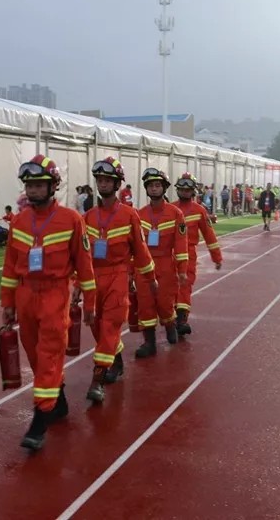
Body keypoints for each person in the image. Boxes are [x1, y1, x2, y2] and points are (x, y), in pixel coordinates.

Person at [0, 155, 96, 450]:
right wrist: (8, 302)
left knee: (49, 353)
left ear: (53, 186)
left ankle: (40, 420)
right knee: (34, 354)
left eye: (40, 185)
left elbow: (85, 264)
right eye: (29, 185)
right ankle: (59, 399)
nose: (34, 190)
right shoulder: (19, 221)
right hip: (25, 294)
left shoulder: (72, 220)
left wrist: (89, 302)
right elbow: (10, 265)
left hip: (56, 294)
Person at [79, 157, 156, 403]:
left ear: (117, 184)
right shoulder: (88, 217)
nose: (102, 184)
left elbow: (142, 251)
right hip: (93, 279)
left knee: (111, 325)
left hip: (118, 275)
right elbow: (79, 255)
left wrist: (150, 277)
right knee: (98, 327)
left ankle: (97, 380)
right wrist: (76, 285)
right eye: (99, 180)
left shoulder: (129, 215)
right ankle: (117, 362)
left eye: (107, 180)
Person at [134, 168, 188, 357]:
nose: (154, 189)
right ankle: (149, 343)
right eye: (150, 186)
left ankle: (170, 324)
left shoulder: (176, 214)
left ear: (164, 188)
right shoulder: (138, 215)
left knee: (165, 303)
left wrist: (182, 270)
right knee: (145, 304)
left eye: (157, 185)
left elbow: (181, 244)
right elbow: (133, 245)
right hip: (143, 267)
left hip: (166, 265)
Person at [172, 173, 222, 335]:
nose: (185, 192)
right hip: (169, 255)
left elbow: (209, 236)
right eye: (182, 189)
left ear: (193, 191)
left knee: (185, 285)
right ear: (177, 190)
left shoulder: (199, 210)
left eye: (188, 190)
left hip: (189, 255)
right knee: (170, 287)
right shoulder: (170, 209)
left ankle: (181, 320)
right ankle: (171, 318)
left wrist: (217, 257)